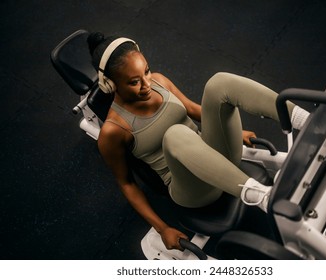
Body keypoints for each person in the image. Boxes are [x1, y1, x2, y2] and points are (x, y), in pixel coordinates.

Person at [87, 32, 309, 251]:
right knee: (176, 134)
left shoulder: (159, 82)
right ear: (110, 85)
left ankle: (307, 121)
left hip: (217, 157)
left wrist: (232, 129)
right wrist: (162, 228)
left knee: (219, 82)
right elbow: (127, 184)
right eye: (135, 82)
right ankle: (261, 196)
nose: (147, 84)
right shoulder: (113, 131)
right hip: (193, 191)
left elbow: (194, 110)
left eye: (146, 71)